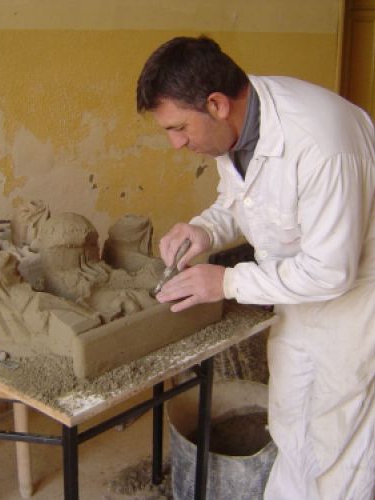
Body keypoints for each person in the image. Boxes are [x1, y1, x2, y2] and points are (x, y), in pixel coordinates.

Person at [136, 35, 374, 499]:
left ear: (217, 104)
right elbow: (244, 202)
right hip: (296, 296)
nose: (176, 143)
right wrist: (203, 230)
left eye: (180, 127)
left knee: (339, 443)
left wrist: (226, 281)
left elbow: (331, 272)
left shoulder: (323, 144)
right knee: (289, 423)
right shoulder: (242, 125)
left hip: (354, 308)